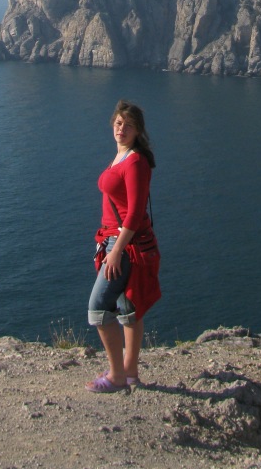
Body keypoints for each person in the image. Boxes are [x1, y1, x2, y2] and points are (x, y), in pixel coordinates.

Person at [86, 99, 160, 393]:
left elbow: (135, 212)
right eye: (118, 123)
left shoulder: (135, 162)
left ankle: (117, 377)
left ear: (138, 130)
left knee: (98, 308)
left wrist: (116, 251)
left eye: (128, 125)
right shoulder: (122, 156)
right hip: (116, 240)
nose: (122, 129)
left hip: (124, 244)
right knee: (129, 309)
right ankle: (130, 373)